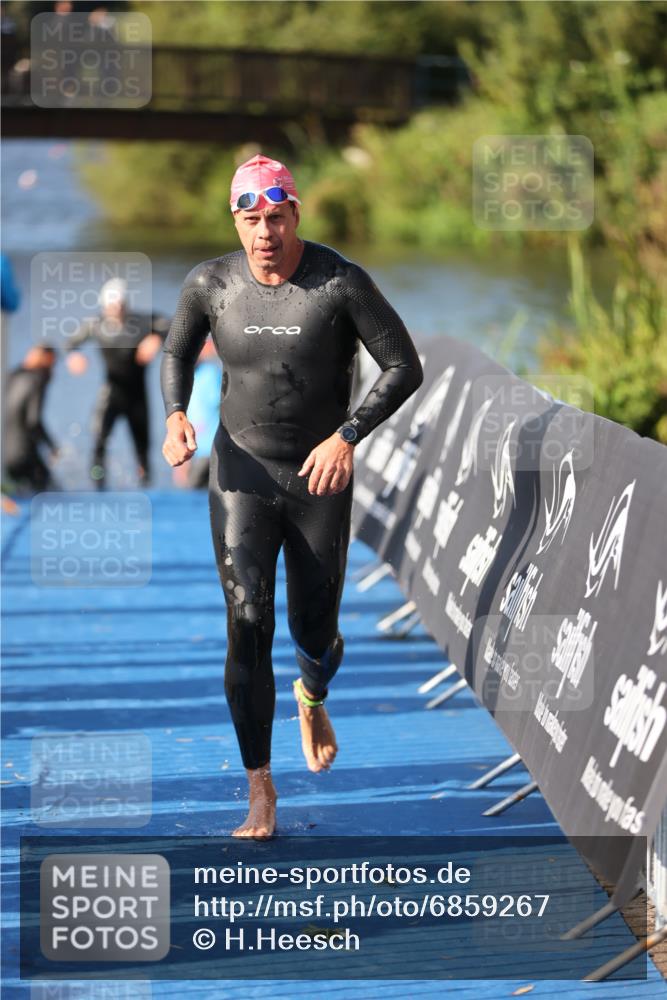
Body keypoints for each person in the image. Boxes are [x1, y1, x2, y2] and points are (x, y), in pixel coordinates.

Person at [160, 154, 423, 839]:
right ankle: (260, 790)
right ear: (236, 220)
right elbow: (175, 353)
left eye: (276, 217)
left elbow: (403, 366)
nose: (265, 233)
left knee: (314, 631)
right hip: (240, 475)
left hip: (319, 480)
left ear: (295, 213)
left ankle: (312, 694)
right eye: (251, 219)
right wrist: (176, 414)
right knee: (247, 621)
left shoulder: (338, 281)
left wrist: (347, 435)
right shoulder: (209, 283)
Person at [66, 277, 169, 488]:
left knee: (143, 447)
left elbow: (174, 325)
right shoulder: (95, 325)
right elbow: (70, 343)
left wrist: (156, 339)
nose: (116, 310)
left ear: (127, 305)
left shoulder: (142, 322)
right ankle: (98, 486)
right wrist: (73, 356)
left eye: (121, 305)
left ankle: (146, 488)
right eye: (112, 306)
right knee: (99, 441)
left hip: (138, 395)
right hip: (111, 393)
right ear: (104, 306)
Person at [3, 344, 59, 495]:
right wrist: (52, 446)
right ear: (48, 360)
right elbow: (33, 421)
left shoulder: (12, 376)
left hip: (5, 456)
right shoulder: (38, 379)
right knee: (52, 494)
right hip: (23, 456)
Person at [172, 337, 222, 490]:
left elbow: (219, 404)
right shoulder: (191, 376)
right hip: (196, 449)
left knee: (197, 491)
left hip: (210, 447)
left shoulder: (211, 373)